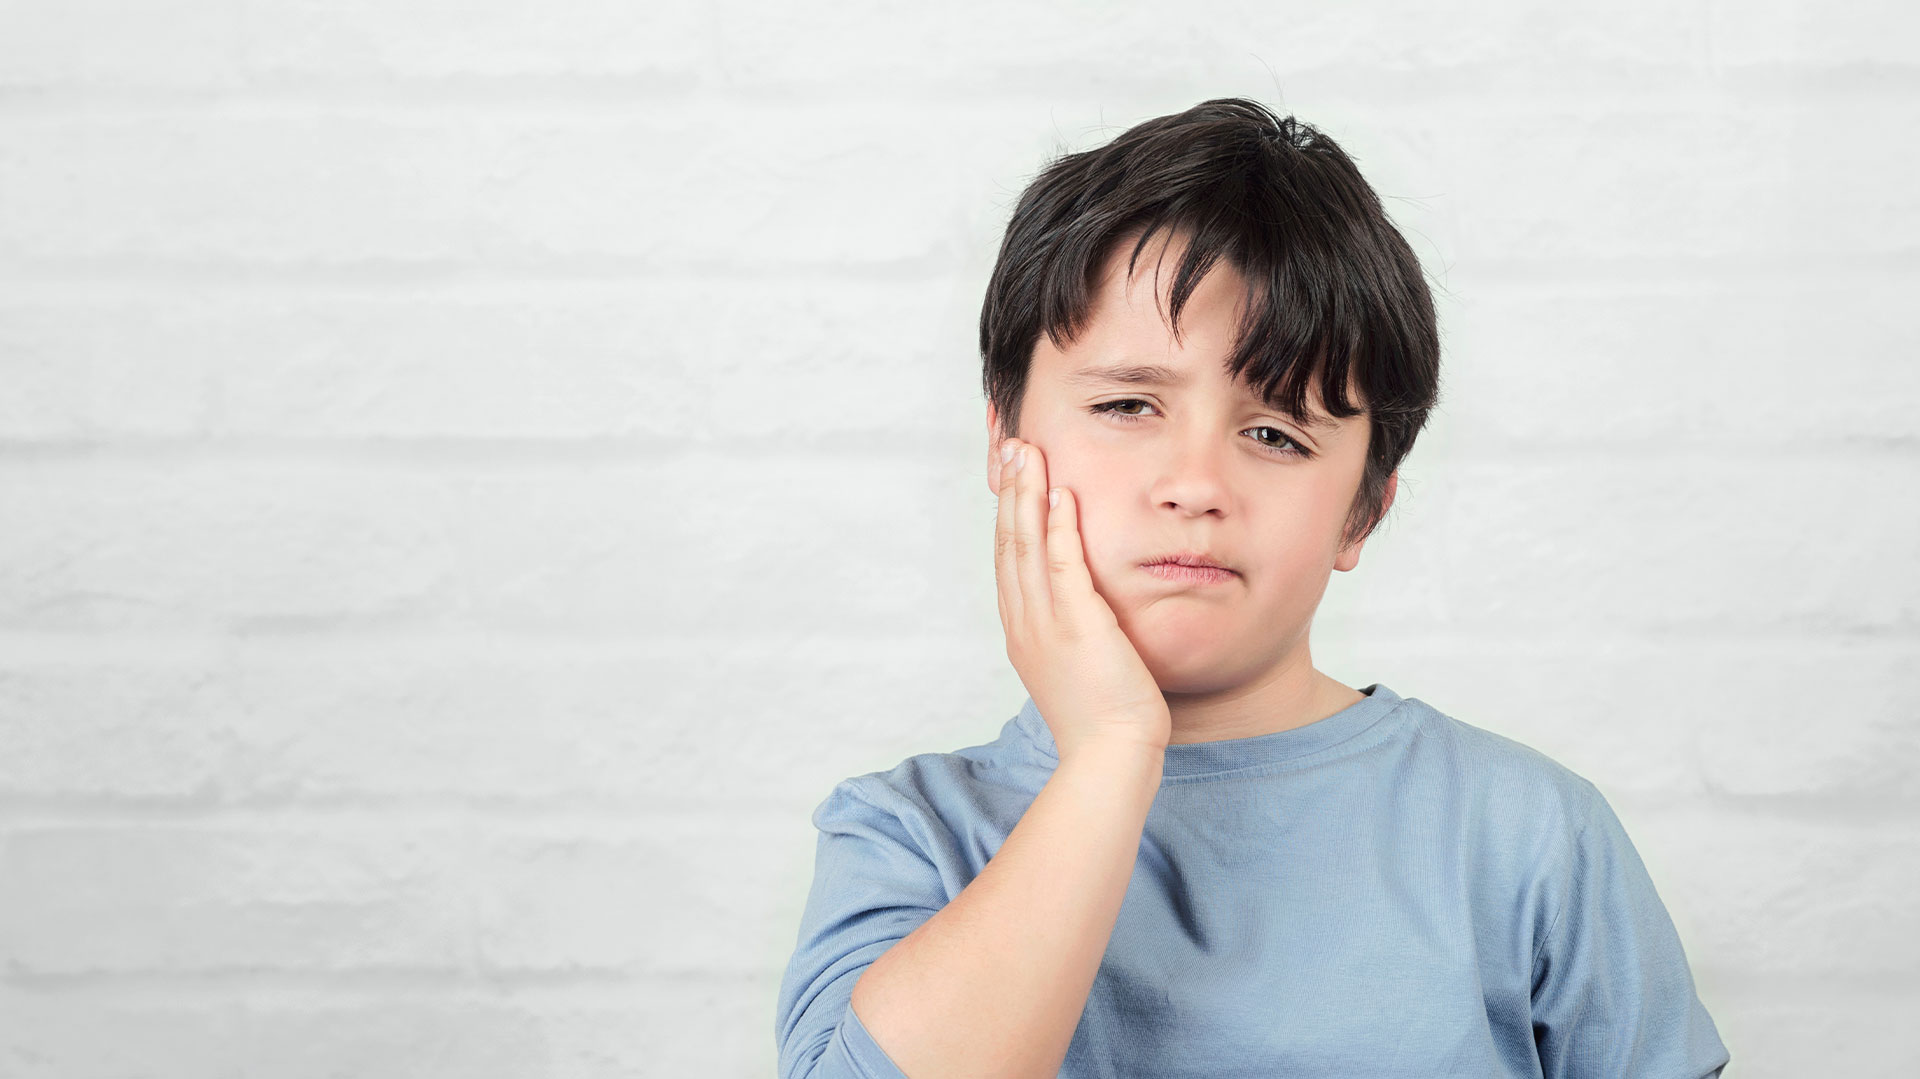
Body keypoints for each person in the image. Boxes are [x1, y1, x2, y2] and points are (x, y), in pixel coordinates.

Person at [775, 97, 1730, 1078]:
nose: (1194, 483)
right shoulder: (909, 834)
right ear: (1004, 440)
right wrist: (1110, 751)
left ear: (1364, 509)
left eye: (1275, 432)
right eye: (1127, 404)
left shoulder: (1526, 832)